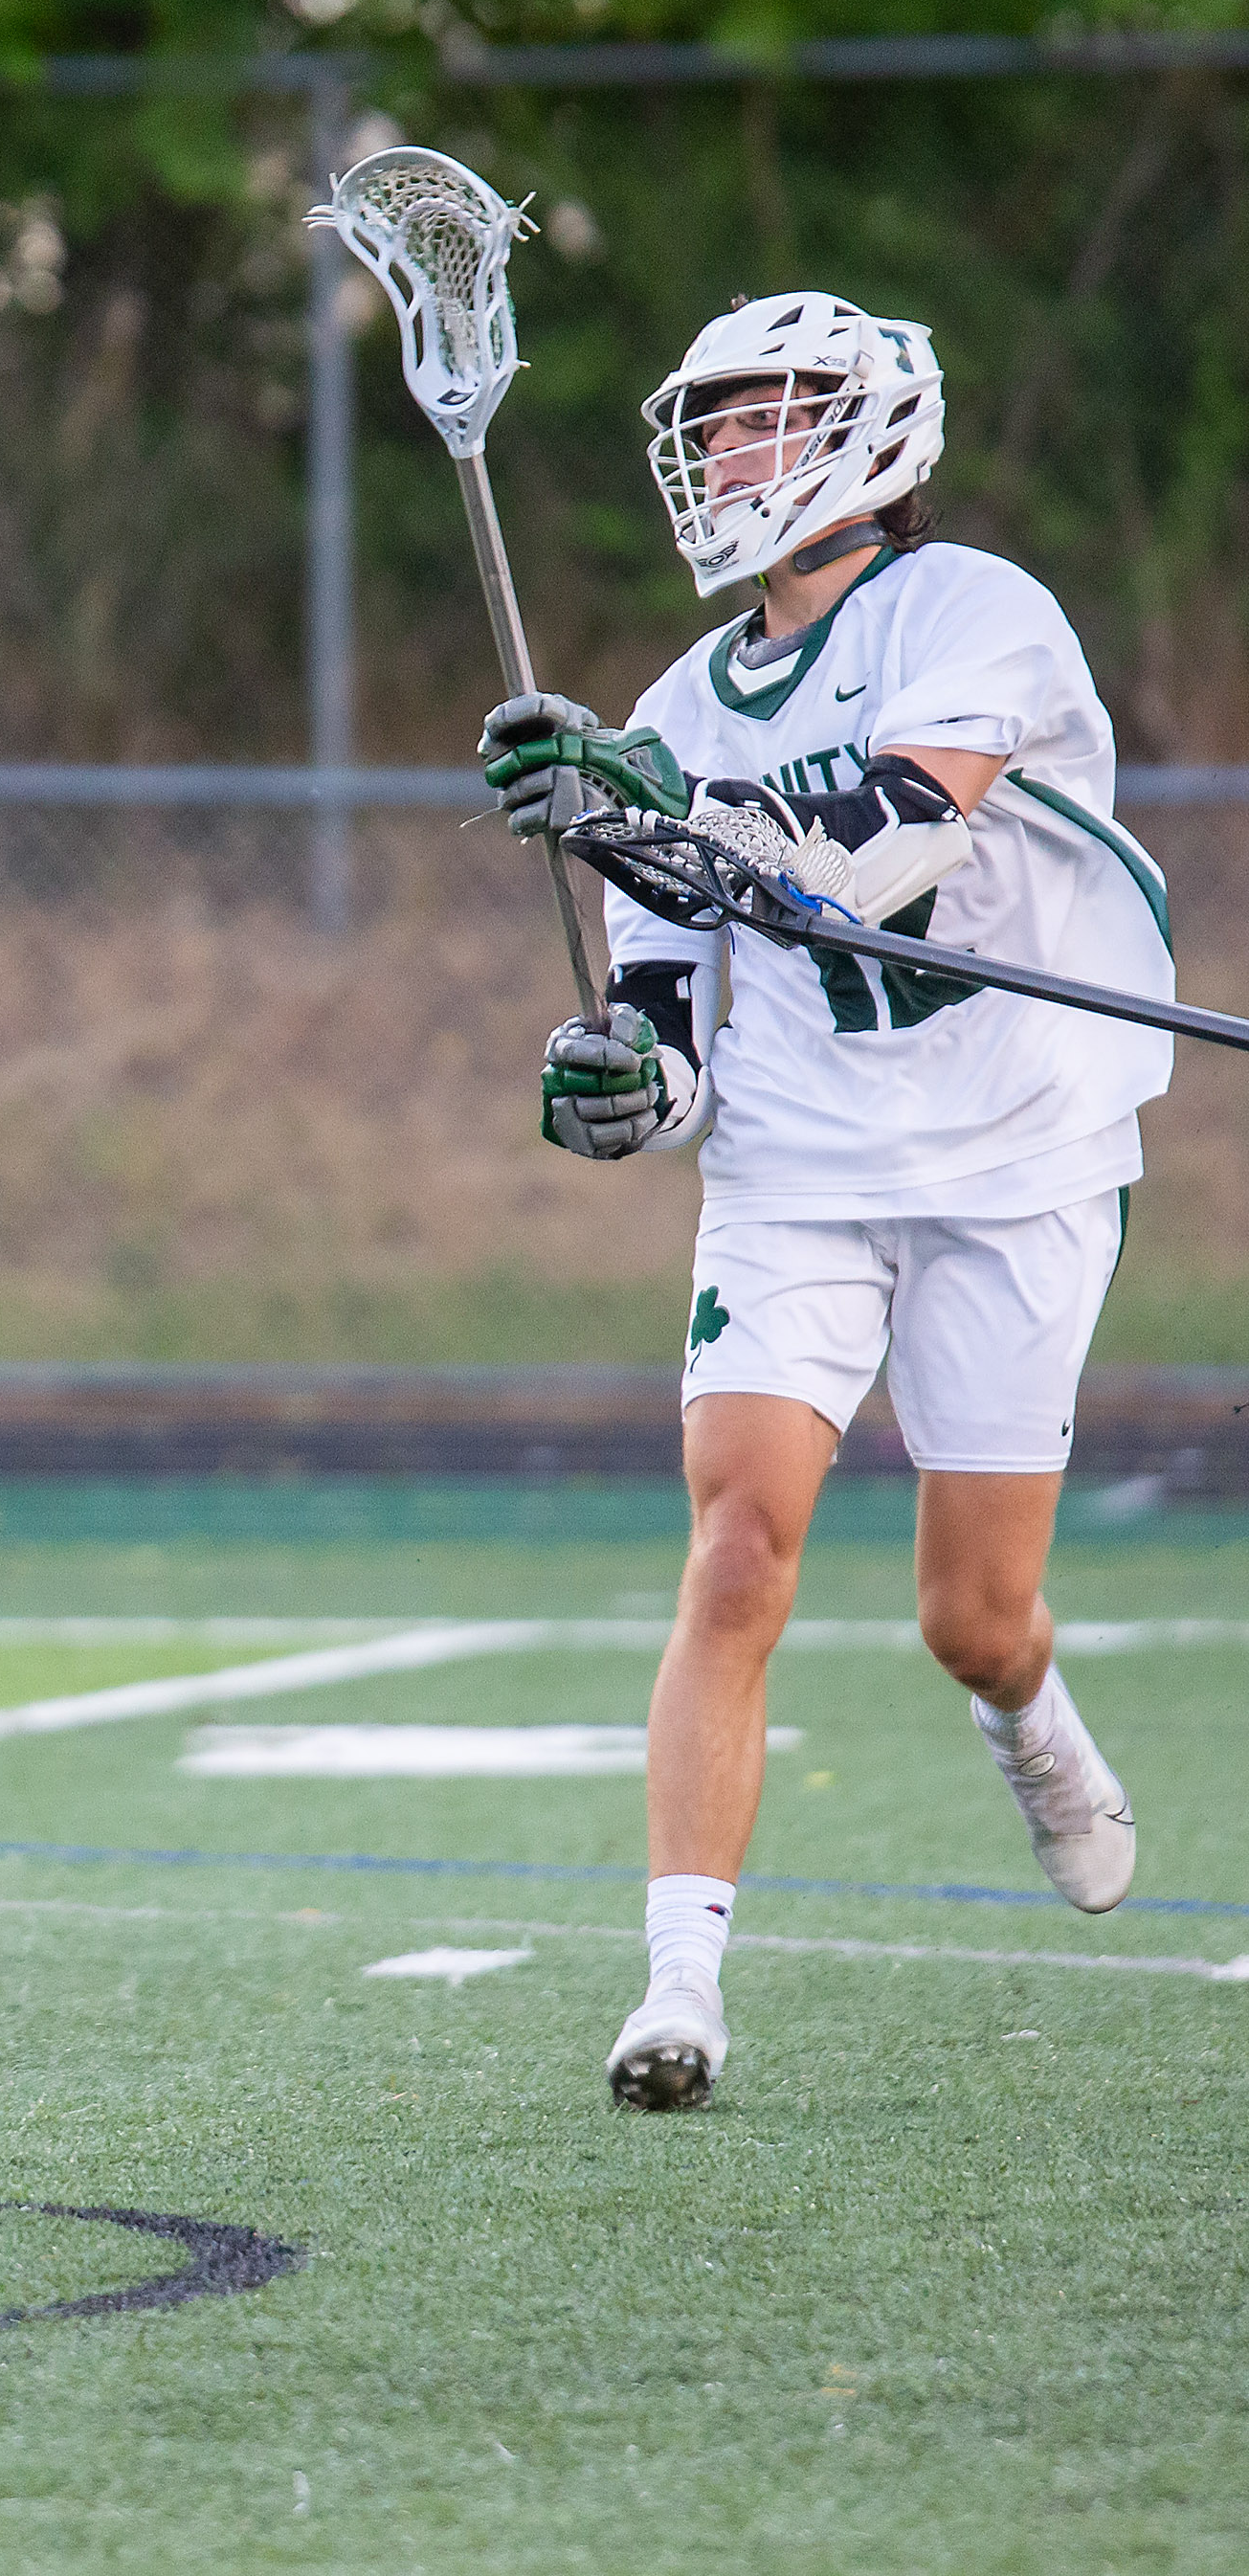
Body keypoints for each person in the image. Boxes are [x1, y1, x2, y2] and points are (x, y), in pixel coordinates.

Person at [479, 293, 1175, 2113]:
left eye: (762, 417)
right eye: (709, 426)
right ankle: (678, 1984)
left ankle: (1026, 1716)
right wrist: (624, 1092)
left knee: (972, 1615)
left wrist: (660, 807)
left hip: (1011, 1153)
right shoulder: (672, 703)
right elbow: (670, 1022)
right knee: (735, 1550)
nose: (723, 454)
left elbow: (874, 843)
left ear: (873, 436)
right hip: (796, 1163)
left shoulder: (976, 613)